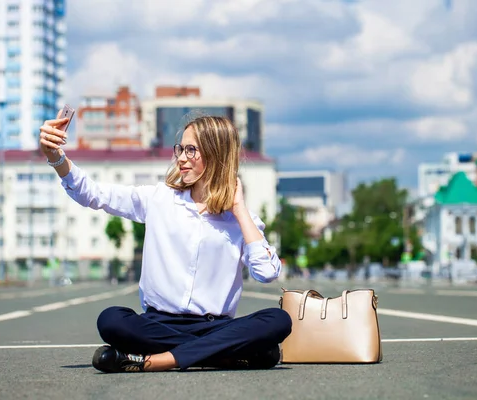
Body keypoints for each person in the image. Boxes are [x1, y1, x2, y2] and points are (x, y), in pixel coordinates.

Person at [39, 113, 292, 373]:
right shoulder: (159, 199)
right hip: (158, 326)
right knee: (112, 319)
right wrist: (56, 157)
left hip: (215, 325)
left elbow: (267, 273)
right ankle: (222, 355)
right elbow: (93, 193)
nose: (181, 157)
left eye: (191, 150)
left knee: (278, 320)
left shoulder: (241, 220)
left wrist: (239, 209)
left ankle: (157, 361)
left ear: (216, 154)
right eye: (180, 149)